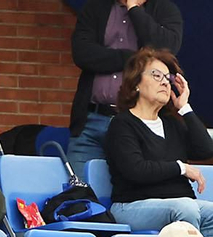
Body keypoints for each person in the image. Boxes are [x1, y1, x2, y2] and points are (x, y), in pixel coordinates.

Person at [103, 48, 213, 237]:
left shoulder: (172, 124)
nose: (164, 82)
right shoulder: (122, 124)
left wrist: (184, 108)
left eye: (167, 78)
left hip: (179, 204)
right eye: (156, 75)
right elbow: (136, 170)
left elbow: (206, 149)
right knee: (185, 208)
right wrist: (181, 168)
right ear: (136, 82)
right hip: (132, 205)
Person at [65, 0, 181, 173]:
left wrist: (134, 9)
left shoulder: (164, 9)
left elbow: (164, 51)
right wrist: (131, 59)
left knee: (132, 192)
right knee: (79, 192)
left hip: (138, 124)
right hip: (92, 120)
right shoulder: (96, 7)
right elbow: (82, 53)